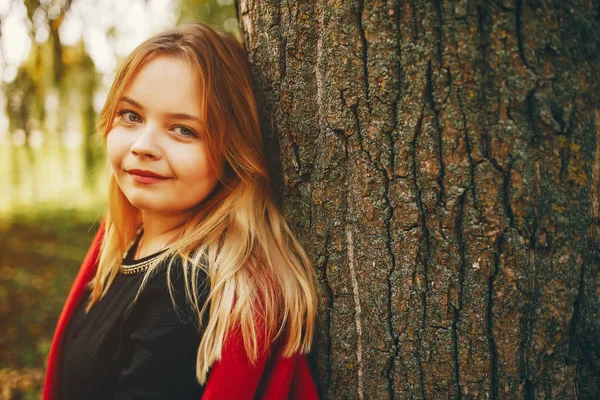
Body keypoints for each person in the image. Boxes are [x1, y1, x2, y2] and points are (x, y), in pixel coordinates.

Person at [43, 23, 320, 399]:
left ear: (232, 153)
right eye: (131, 116)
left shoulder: (182, 291)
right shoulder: (126, 241)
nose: (143, 146)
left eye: (183, 130)